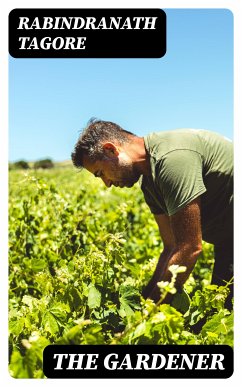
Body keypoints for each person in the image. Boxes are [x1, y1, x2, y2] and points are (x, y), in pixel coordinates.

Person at [71, 119, 233, 309]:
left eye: (100, 173)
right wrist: (144, 302)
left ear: (110, 149)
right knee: (220, 309)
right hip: (229, 240)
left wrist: (147, 314)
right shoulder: (149, 184)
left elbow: (189, 248)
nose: (106, 183)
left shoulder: (172, 160)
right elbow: (171, 247)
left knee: (223, 315)